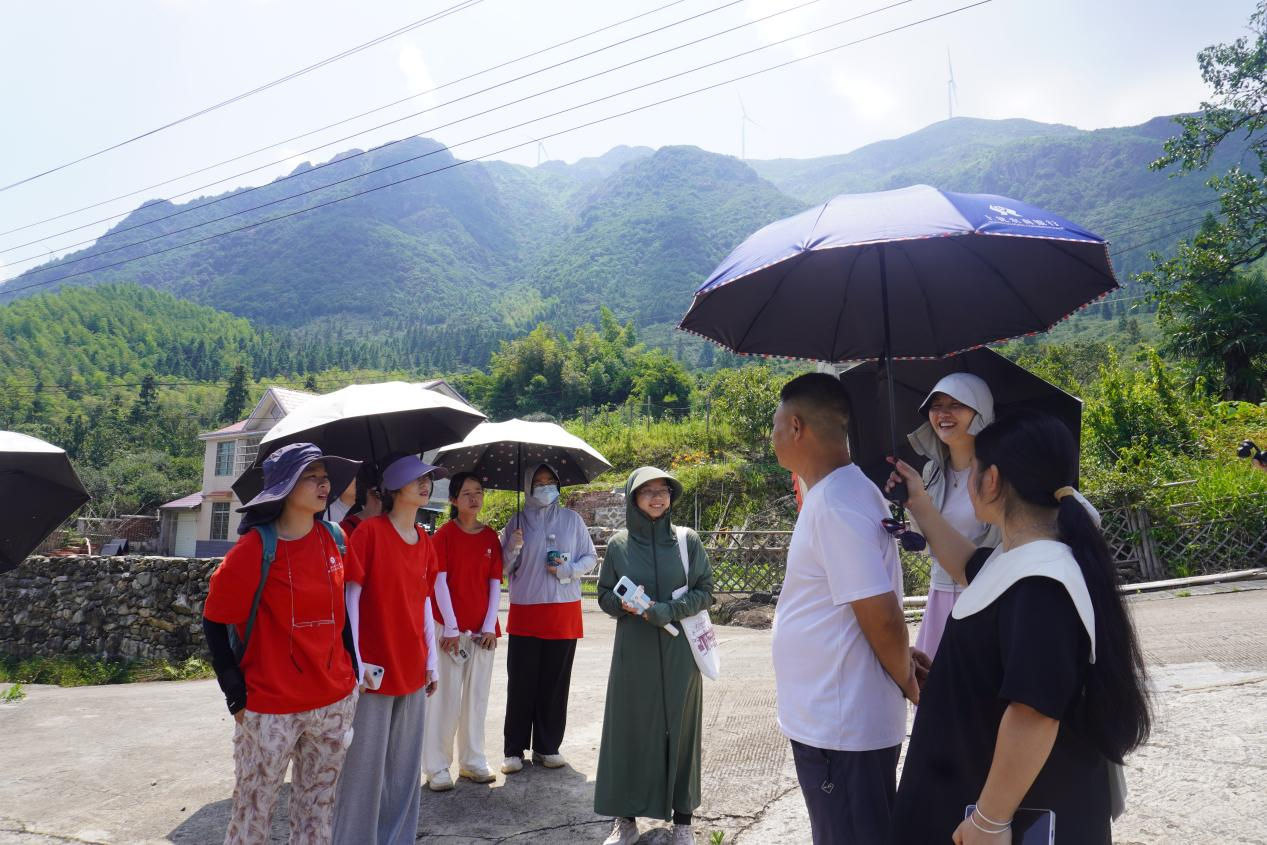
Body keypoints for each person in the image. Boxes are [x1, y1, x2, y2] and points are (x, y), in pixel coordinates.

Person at [886, 411, 1151, 845]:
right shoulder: (1020, 561)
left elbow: (1034, 712)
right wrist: (960, 687)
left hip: (1010, 815)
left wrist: (989, 821)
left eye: (973, 471)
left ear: (991, 480)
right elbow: (967, 564)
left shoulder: (1043, 582)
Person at [769, 373, 918, 845]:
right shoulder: (842, 492)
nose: (772, 436)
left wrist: (908, 680)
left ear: (796, 427)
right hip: (834, 723)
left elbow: (883, 618)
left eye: (774, 424)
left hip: (842, 729)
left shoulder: (836, 502)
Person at [202, 443, 362, 845]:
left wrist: (354, 675)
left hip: (333, 702)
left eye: (325, 477)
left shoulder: (336, 539)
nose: (324, 484)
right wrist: (234, 693)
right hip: (271, 706)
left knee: (317, 812)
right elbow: (214, 620)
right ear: (285, 486)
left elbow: (342, 615)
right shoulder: (255, 548)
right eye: (312, 476)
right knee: (253, 814)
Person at [595, 467, 714, 845]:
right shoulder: (619, 545)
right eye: (648, 491)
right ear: (633, 498)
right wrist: (625, 603)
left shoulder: (687, 541)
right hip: (634, 651)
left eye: (664, 490)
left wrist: (669, 611)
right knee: (629, 729)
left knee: (682, 730)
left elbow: (706, 591)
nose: (657, 497)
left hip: (680, 651)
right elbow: (603, 595)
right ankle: (626, 820)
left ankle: (684, 822)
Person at [332, 455, 442, 845]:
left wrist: (432, 662)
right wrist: (357, 660)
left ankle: (398, 839)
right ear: (394, 488)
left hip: (412, 665)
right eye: (417, 479)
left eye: (428, 479)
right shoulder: (370, 533)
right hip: (374, 669)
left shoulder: (425, 541)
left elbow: (425, 602)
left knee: (404, 769)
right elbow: (352, 598)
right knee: (364, 767)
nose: (425, 485)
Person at [500, 463, 597, 774]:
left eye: (550, 481)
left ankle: (547, 746)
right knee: (521, 683)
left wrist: (568, 570)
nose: (545, 487)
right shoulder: (516, 522)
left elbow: (590, 557)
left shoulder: (572, 520)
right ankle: (514, 750)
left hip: (562, 611)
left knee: (555, 683)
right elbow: (503, 569)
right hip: (526, 610)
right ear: (528, 488)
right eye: (538, 482)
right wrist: (512, 548)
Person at [906, 373, 999, 660]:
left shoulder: (1000, 473)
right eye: (936, 405)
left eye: (956, 404)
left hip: (985, 594)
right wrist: (909, 503)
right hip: (940, 593)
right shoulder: (930, 472)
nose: (943, 414)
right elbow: (926, 541)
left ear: (981, 410)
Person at [422, 471, 504, 790]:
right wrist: (451, 627)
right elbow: (439, 582)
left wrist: (489, 625)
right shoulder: (443, 535)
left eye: (478, 491)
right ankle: (437, 766)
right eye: (467, 493)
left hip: (482, 631)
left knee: (477, 696)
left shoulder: (490, 537)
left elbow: (495, 582)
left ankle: (473, 760)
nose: (474, 498)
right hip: (448, 630)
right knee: (443, 698)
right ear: (454, 500)